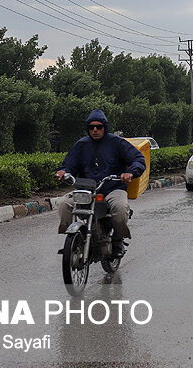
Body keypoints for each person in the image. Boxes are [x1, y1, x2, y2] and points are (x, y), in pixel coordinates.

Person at [55, 109, 146, 257]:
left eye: (99, 127)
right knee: (63, 203)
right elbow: (68, 164)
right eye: (91, 127)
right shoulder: (81, 144)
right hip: (87, 189)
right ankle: (72, 239)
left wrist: (131, 172)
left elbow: (138, 159)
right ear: (88, 129)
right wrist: (63, 172)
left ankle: (117, 240)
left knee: (120, 208)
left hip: (112, 188)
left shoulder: (117, 143)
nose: (95, 130)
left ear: (105, 127)